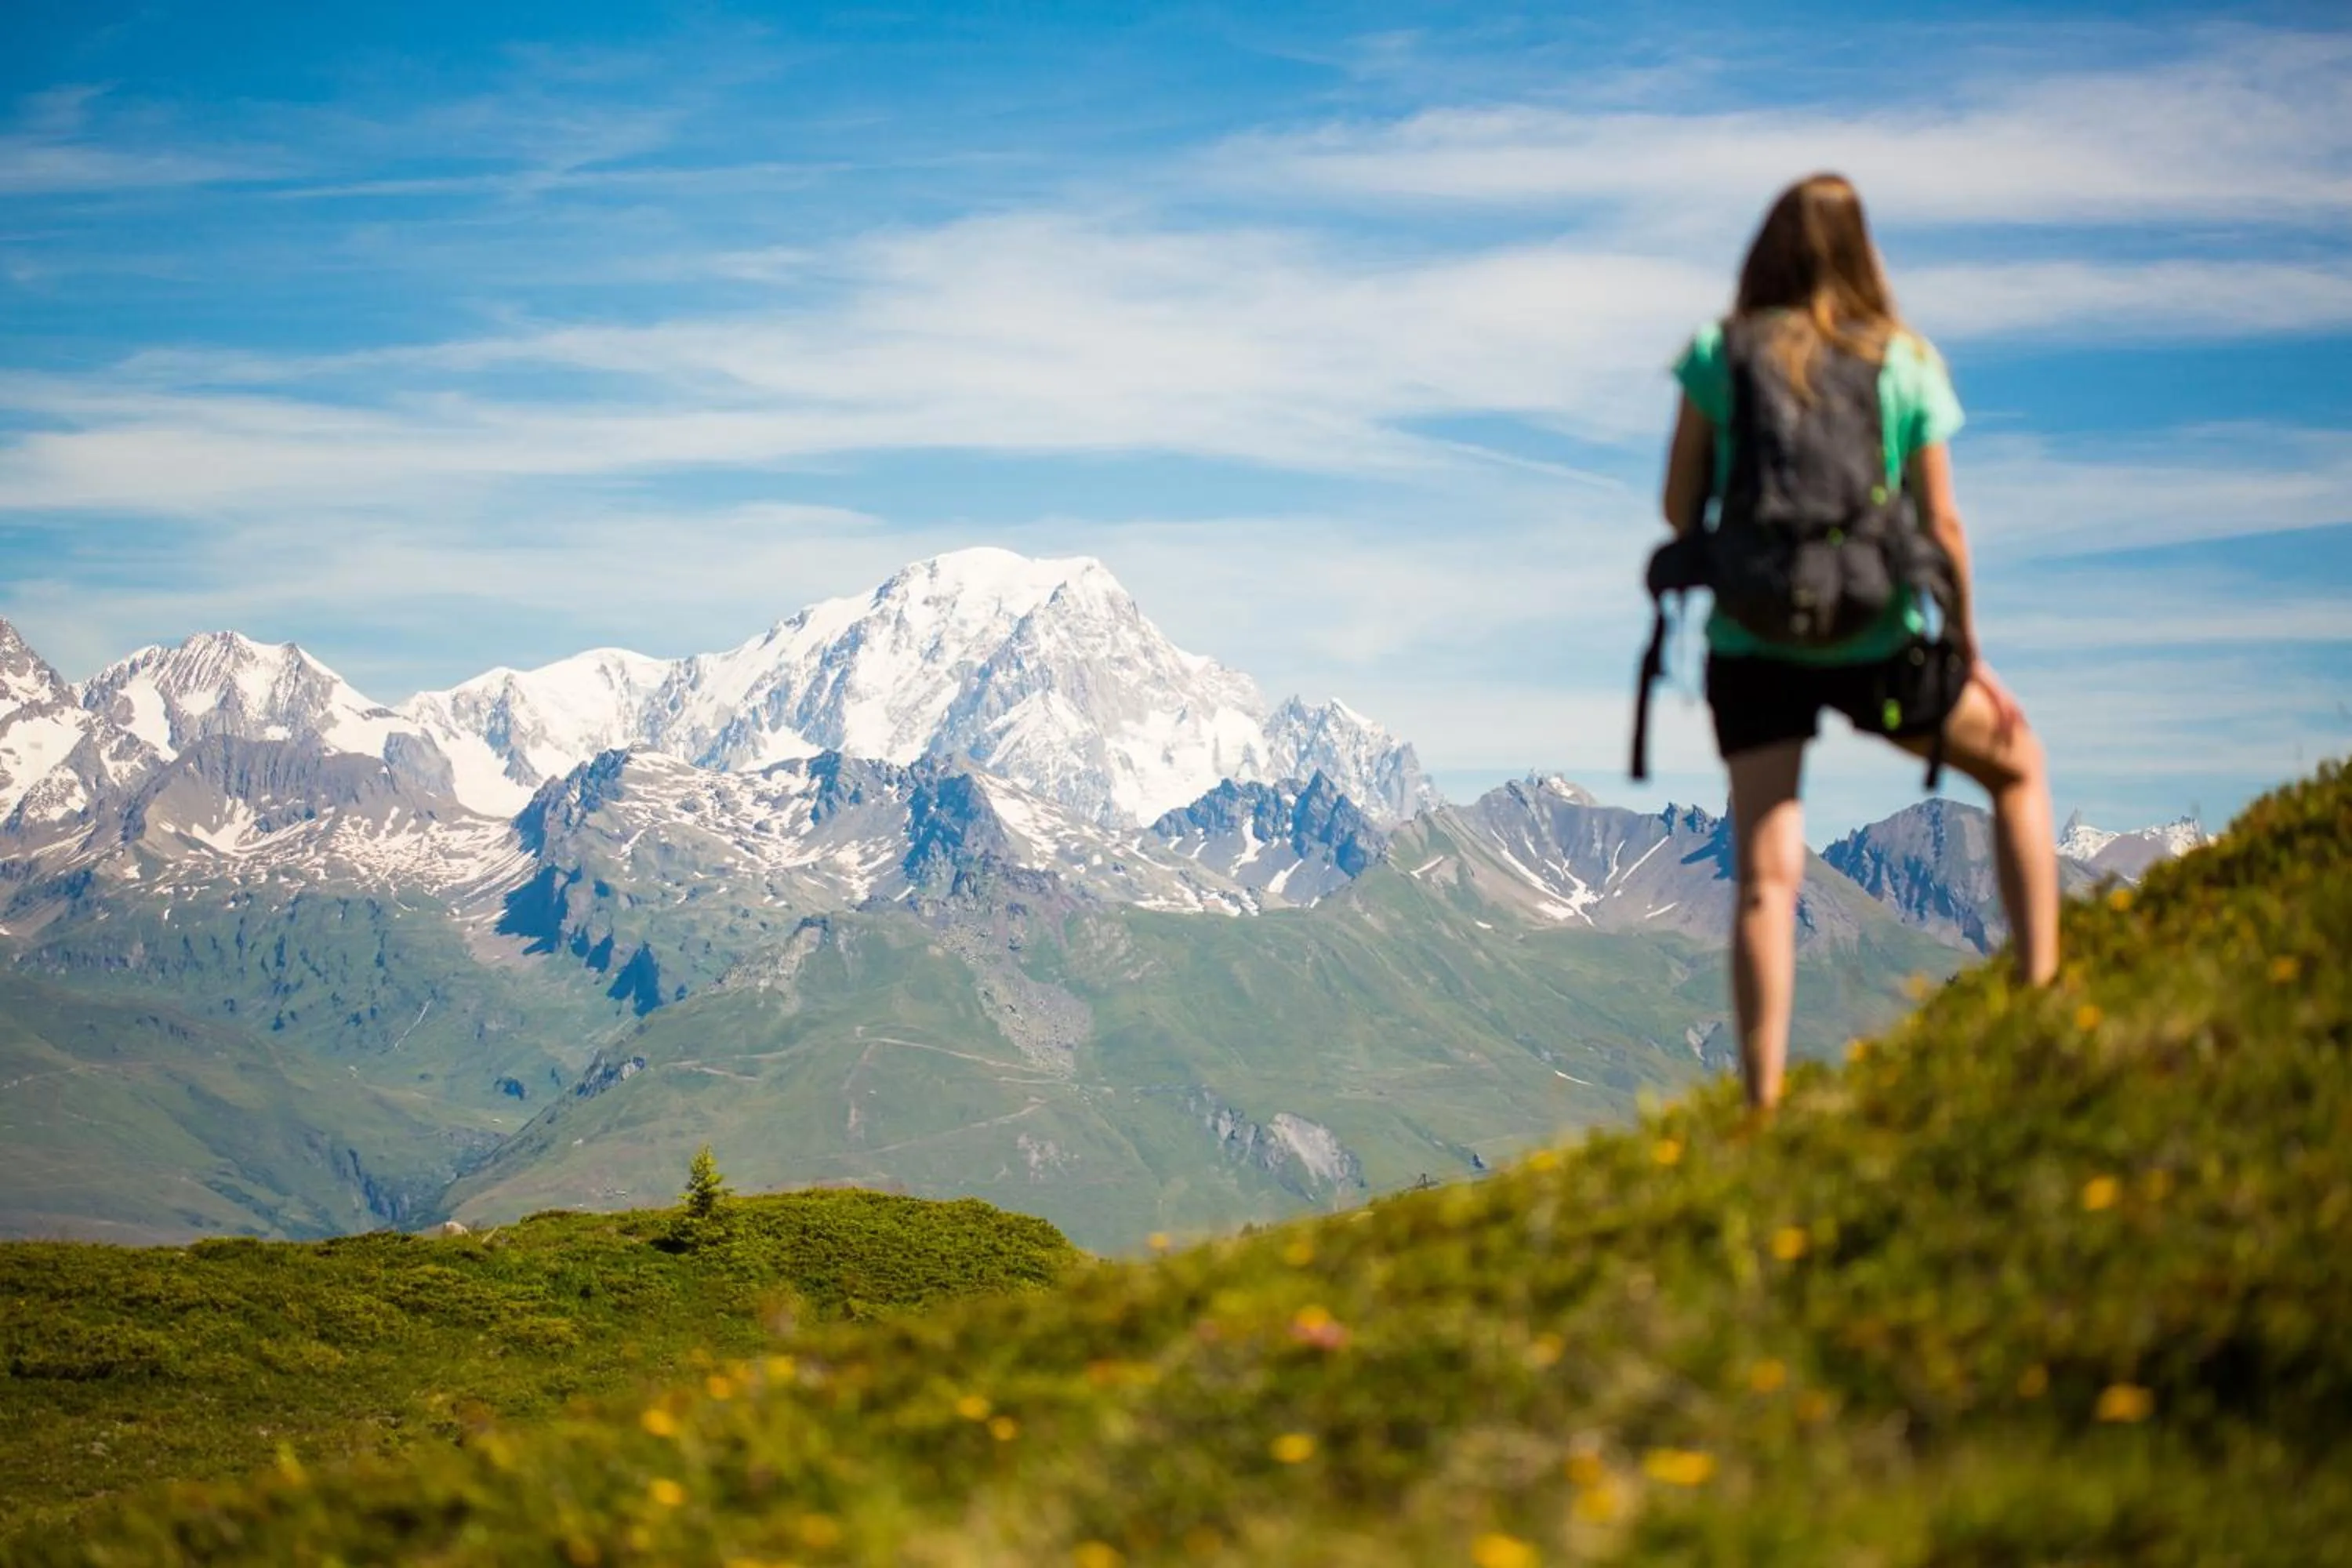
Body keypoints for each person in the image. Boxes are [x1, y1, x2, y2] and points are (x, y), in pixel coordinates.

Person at [1657, 172, 2060, 1113]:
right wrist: (1967, 650)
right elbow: (1943, 524)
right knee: (2017, 767)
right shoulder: (1904, 363)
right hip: (1873, 636)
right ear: (1863, 253)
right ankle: (2045, 1000)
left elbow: (1679, 508)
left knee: (1765, 869)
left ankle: (1762, 1106)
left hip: (1753, 640)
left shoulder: (1720, 355)